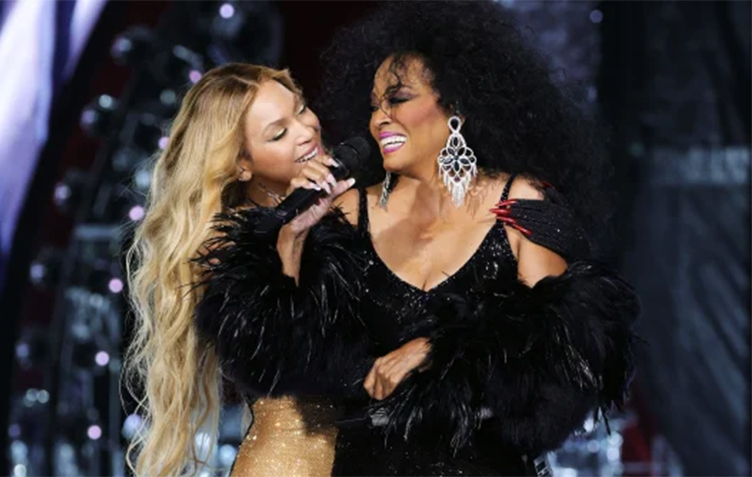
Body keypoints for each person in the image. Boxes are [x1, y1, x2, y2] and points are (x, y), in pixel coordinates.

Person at [201, 2, 638, 476]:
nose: (379, 119)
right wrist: (292, 238)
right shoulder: (348, 213)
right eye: (374, 105)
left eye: (398, 98)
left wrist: (442, 352)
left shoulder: (521, 205)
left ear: (457, 104)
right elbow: (278, 364)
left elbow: (564, 374)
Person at [123, 63, 360, 477]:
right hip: (292, 466)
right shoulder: (226, 248)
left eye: (301, 110)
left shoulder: (353, 202)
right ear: (240, 165)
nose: (306, 131)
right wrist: (292, 237)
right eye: (279, 133)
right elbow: (282, 357)